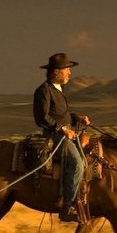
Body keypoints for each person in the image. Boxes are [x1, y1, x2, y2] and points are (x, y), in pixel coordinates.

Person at [32, 52, 91, 222]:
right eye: (67, 69)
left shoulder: (58, 90)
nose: (70, 73)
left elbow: (60, 114)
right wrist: (63, 129)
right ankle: (68, 207)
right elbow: (42, 117)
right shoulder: (43, 91)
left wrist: (76, 118)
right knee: (77, 163)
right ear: (56, 71)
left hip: (65, 132)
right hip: (54, 136)